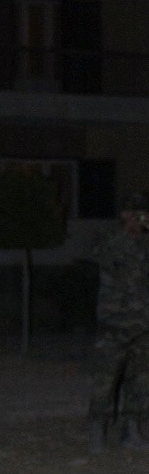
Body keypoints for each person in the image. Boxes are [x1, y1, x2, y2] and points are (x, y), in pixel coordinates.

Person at [86, 191, 149, 452]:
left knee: (141, 381)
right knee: (105, 381)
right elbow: (102, 256)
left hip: (144, 324)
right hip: (113, 324)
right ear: (125, 214)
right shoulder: (108, 237)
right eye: (138, 213)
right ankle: (97, 432)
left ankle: (131, 431)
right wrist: (129, 232)